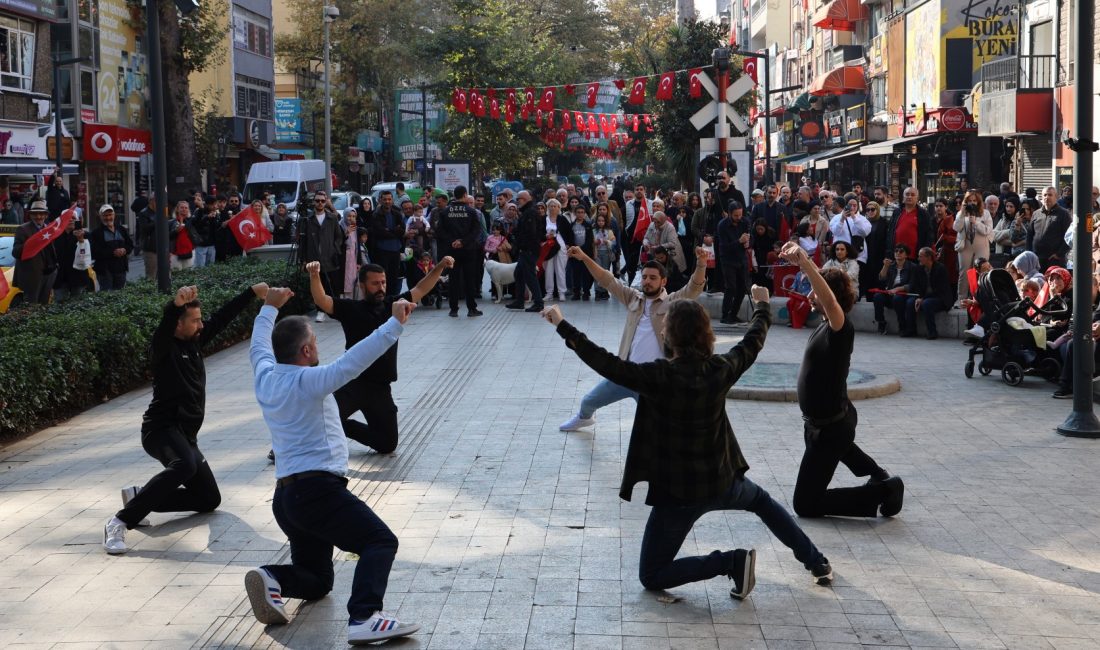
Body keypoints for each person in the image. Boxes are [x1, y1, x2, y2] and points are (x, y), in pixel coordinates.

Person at [543, 292, 833, 597]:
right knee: (764, 503)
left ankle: (731, 562)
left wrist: (562, 324)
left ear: (672, 334)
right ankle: (817, 562)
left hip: (678, 494)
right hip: (723, 480)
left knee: (652, 575)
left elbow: (606, 363)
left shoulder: (658, 376)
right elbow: (752, 342)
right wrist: (761, 307)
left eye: (666, 325)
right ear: (705, 334)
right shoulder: (720, 369)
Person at [246, 287, 420, 645]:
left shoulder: (265, 376)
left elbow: (258, 345)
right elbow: (353, 362)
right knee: (379, 541)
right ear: (307, 350)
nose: (318, 346)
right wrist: (393, 324)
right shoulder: (309, 381)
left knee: (317, 580)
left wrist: (268, 309)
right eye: (314, 341)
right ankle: (365, 617)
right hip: (318, 493)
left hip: (287, 498)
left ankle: (272, 577)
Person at [103, 283, 269, 555]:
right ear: (178, 325)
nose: (201, 325)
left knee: (208, 498)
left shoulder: (194, 343)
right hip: (160, 430)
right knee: (183, 466)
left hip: (185, 435)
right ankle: (120, 521)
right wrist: (175, 306)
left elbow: (222, 318)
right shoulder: (164, 349)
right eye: (194, 321)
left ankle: (139, 496)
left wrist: (251, 293)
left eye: (200, 319)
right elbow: (165, 327)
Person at [777, 241, 904, 520]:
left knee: (805, 505)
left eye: (815, 290)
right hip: (825, 425)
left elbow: (830, 301)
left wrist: (805, 263)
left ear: (830, 295)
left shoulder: (840, 326)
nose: (809, 295)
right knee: (843, 447)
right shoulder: (824, 323)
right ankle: (878, 475)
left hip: (830, 429)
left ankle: (882, 492)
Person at [307, 256, 451, 454]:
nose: (381, 287)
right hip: (353, 383)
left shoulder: (394, 306)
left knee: (387, 444)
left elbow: (421, 288)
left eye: (383, 282)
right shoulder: (350, 308)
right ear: (363, 285)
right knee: (321, 419)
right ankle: (285, 448)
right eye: (375, 283)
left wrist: (440, 266)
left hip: (380, 388)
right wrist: (315, 276)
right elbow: (322, 301)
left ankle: (342, 427)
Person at [558, 246, 708, 431]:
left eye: (653, 278)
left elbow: (693, 289)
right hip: (626, 372)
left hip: (653, 381)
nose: (647, 281)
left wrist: (701, 264)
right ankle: (584, 418)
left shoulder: (672, 302)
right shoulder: (633, 298)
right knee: (588, 401)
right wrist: (584, 257)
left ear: (664, 281)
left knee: (657, 425)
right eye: (644, 277)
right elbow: (607, 280)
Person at [437, 185, 483, 318]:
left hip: (452, 250)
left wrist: (453, 241)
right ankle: (471, 308)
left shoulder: (445, 212)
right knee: (469, 279)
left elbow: (440, 231)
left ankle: (453, 309)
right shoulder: (471, 211)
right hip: (468, 250)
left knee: (453, 279)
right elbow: (476, 231)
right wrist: (463, 241)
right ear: (465, 195)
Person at [301, 191, 346, 322]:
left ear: (326, 202)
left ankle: (336, 309)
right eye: (317, 200)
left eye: (322, 200)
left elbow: (339, 237)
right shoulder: (308, 219)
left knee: (333, 285)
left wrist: (334, 249)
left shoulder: (332, 218)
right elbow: (303, 241)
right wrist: (303, 260)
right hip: (314, 257)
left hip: (330, 257)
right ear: (314, 202)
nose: (320, 203)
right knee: (317, 285)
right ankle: (320, 311)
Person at [11, 200, 59, 305]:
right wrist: (31, 243)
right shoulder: (22, 229)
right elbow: (15, 253)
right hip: (31, 277)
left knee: (44, 307)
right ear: (30, 215)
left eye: (41, 213)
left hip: (49, 274)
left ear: (46, 215)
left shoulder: (49, 229)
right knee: (31, 308)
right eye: (35, 214)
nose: (38, 216)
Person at [505, 191, 545, 312]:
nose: (517, 202)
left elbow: (531, 232)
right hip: (526, 249)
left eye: (519, 199)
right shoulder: (527, 212)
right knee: (519, 274)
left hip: (529, 249)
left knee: (530, 276)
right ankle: (519, 301)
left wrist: (521, 242)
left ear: (525, 199)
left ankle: (538, 303)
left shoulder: (530, 213)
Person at [954, 191, 994, 301]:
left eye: (974, 201)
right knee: (964, 273)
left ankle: (979, 298)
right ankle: (961, 298)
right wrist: (962, 213)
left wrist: (976, 222)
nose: (972, 203)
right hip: (966, 246)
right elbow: (956, 228)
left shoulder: (985, 213)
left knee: (982, 272)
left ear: (978, 202)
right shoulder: (961, 213)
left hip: (981, 245)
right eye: (969, 201)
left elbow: (987, 230)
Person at [905, 247, 953, 339]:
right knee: (910, 302)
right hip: (923, 296)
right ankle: (911, 329)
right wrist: (920, 297)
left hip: (940, 297)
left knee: (927, 304)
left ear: (929, 257)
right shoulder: (918, 269)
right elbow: (916, 286)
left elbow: (939, 289)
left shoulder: (940, 268)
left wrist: (922, 298)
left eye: (921, 256)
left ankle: (932, 332)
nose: (918, 259)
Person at [872, 245, 918, 334]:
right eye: (896, 251)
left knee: (897, 298)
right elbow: (881, 279)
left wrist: (897, 289)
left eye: (901, 251)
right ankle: (881, 322)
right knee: (877, 297)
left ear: (906, 255)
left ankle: (902, 324)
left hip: (904, 294)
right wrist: (885, 266)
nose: (898, 253)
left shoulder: (912, 267)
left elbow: (912, 285)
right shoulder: (891, 265)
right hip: (890, 292)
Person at [718, 201, 751, 325]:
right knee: (731, 287)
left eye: (740, 215)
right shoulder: (722, 225)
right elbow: (724, 246)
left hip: (741, 258)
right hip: (728, 259)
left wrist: (748, 242)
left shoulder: (745, 222)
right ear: (730, 214)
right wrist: (739, 241)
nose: (738, 218)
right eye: (736, 215)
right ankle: (725, 315)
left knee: (742, 288)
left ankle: (733, 314)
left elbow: (749, 237)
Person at [88, 205, 134, 291]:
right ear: (100, 216)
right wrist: (112, 252)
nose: (108, 217)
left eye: (110, 214)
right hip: (105, 271)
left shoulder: (121, 229)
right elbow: (94, 252)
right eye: (105, 215)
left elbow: (130, 245)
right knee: (107, 295)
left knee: (120, 294)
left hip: (121, 268)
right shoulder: (96, 233)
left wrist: (124, 250)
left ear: (114, 215)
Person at [370, 191, 406, 298]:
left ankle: (391, 300)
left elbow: (402, 230)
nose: (387, 201)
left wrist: (389, 231)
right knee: (382, 277)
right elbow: (380, 232)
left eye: (389, 199)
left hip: (395, 250)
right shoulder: (376, 215)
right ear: (380, 200)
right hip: (382, 251)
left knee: (393, 277)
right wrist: (394, 231)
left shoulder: (397, 213)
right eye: (384, 199)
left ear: (392, 200)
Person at [1029, 186, 1072, 270]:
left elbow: (1069, 237)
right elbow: (1030, 235)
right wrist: (1029, 252)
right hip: (1036, 259)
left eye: (1050, 195)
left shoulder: (1064, 214)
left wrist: (1059, 254)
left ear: (1056, 197)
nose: (1047, 197)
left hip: (1054, 260)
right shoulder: (1036, 214)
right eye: (1045, 195)